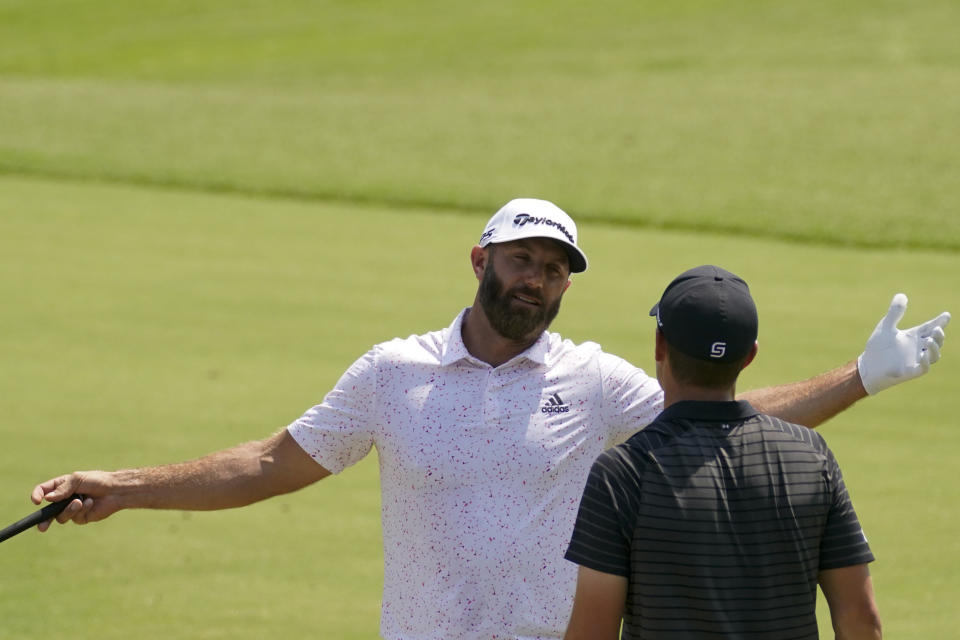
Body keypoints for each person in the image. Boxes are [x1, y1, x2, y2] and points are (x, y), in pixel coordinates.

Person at [31, 199, 944, 639]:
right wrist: (126, 487)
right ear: (480, 259)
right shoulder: (395, 372)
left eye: (556, 266)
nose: (538, 278)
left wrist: (860, 376)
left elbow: (726, 415)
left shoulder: (592, 380)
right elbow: (271, 463)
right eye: (523, 259)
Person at [563, 265, 883, 639]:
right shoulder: (811, 456)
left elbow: (592, 632)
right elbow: (862, 620)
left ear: (659, 345)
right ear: (750, 356)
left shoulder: (623, 473)